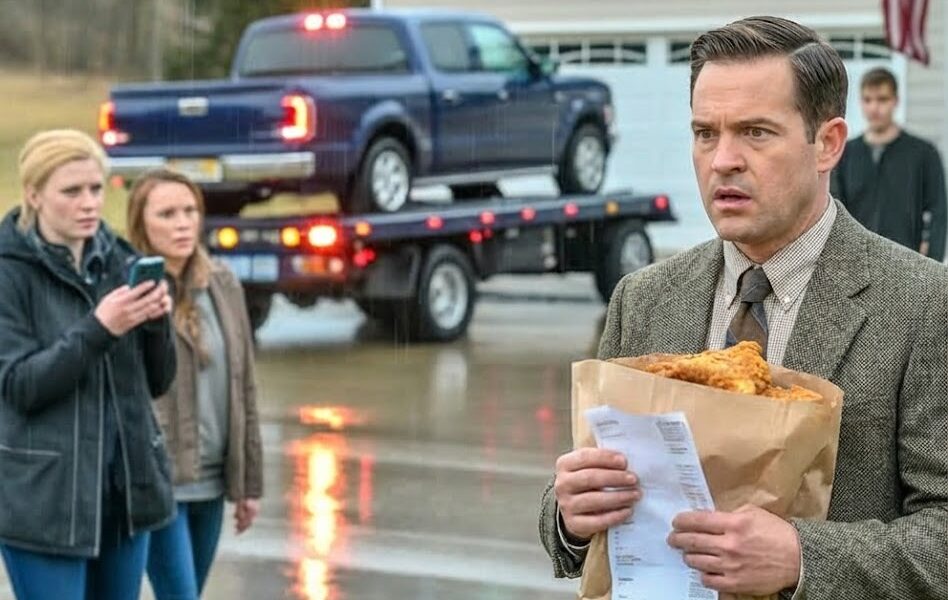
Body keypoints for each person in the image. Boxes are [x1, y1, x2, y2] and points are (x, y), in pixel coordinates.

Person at [539, 17, 947, 599]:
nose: (723, 160)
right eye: (706, 133)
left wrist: (803, 558)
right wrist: (569, 516)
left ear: (828, 143)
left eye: (756, 132)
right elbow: (586, 492)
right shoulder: (643, 298)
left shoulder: (922, 302)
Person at [0, 129, 176, 599]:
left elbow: (157, 382)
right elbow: (21, 386)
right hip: (45, 502)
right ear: (34, 195)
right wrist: (100, 328)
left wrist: (156, 323)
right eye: (71, 191)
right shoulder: (7, 271)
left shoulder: (121, 258)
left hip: (125, 496)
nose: (88, 203)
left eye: (96, 189)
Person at [125, 169, 263, 600]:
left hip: (212, 480)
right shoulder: (130, 292)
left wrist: (249, 482)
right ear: (141, 223)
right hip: (160, 482)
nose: (183, 224)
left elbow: (244, 384)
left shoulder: (222, 282)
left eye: (190, 211)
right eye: (167, 214)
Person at [831, 67, 947, 261]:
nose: (874, 108)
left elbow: (938, 213)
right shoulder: (844, 154)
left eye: (882, 99)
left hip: (907, 262)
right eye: (868, 100)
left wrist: (932, 263)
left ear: (895, 101)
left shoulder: (924, 154)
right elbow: (836, 211)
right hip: (859, 262)